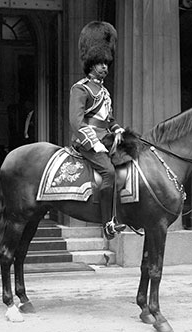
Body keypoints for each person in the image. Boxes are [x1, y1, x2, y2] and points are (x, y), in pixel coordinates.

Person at [69, 21, 128, 240]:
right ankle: (107, 223)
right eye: (100, 63)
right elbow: (76, 122)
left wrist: (117, 129)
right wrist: (94, 143)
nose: (105, 67)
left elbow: (108, 119)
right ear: (91, 64)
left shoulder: (103, 91)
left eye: (106, 63)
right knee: (109, 172)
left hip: (106, 138)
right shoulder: (81, 88)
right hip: (87, 142)